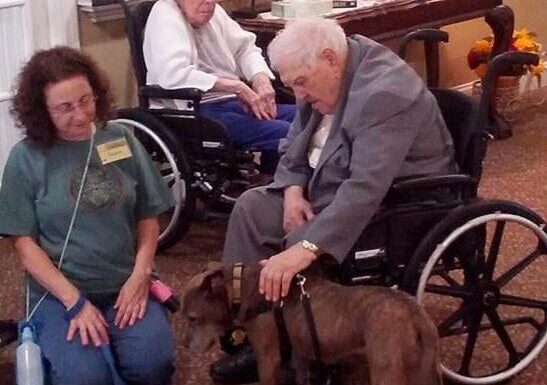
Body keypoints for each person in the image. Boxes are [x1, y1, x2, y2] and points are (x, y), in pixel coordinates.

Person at [211, 18, 458, 383]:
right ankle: (260, 339)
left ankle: (306, 345)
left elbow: (364, 189)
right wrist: (293, 188)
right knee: (251, 208)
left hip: (398, 201)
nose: (297, 96)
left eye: (300, 83)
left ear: (328, 58)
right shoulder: (326, 73)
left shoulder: (385, 93)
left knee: (294, 244)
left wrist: (308, 246)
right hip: (323, 185)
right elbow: (295, 142)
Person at [0, 47, 175, 385]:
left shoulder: (120, 138)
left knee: (153, 366)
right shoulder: (25, 159)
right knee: (88, 378)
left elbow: (148, 214)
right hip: (58, 294)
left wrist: (141, 274)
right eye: (65, 108)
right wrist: (74, 302)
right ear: (42, 111)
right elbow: (23, 244)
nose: (80, 115)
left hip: (125, 283)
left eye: (86, 100)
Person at [143, 0, 296, 174]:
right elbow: (173, 75)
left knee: (306, 115)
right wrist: (238, 87)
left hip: (231, 101)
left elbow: (245, 48)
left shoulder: (214, 12)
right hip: (194, 110)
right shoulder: (165, 15)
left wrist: (260, 78)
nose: (210, 2)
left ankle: (271, 176)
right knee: (288, 131)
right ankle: (276, 186)